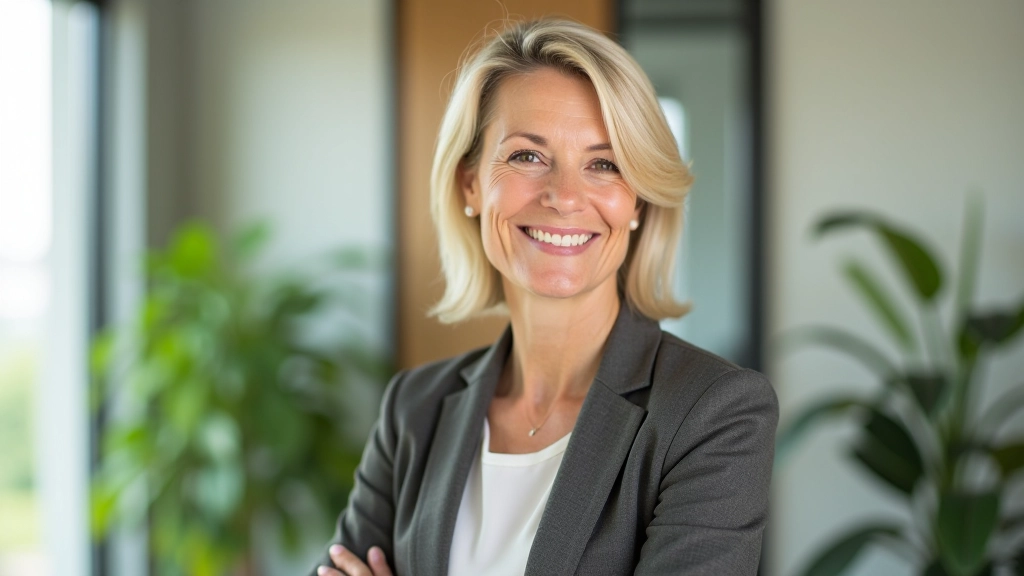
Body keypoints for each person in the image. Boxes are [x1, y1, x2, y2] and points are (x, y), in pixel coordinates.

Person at [312, 18, 777, 576]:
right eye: (527, 156)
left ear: (637, 202)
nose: (564, 196)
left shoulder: (713, 412)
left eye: (604, 164)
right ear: (470, 184)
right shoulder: (414, 407)